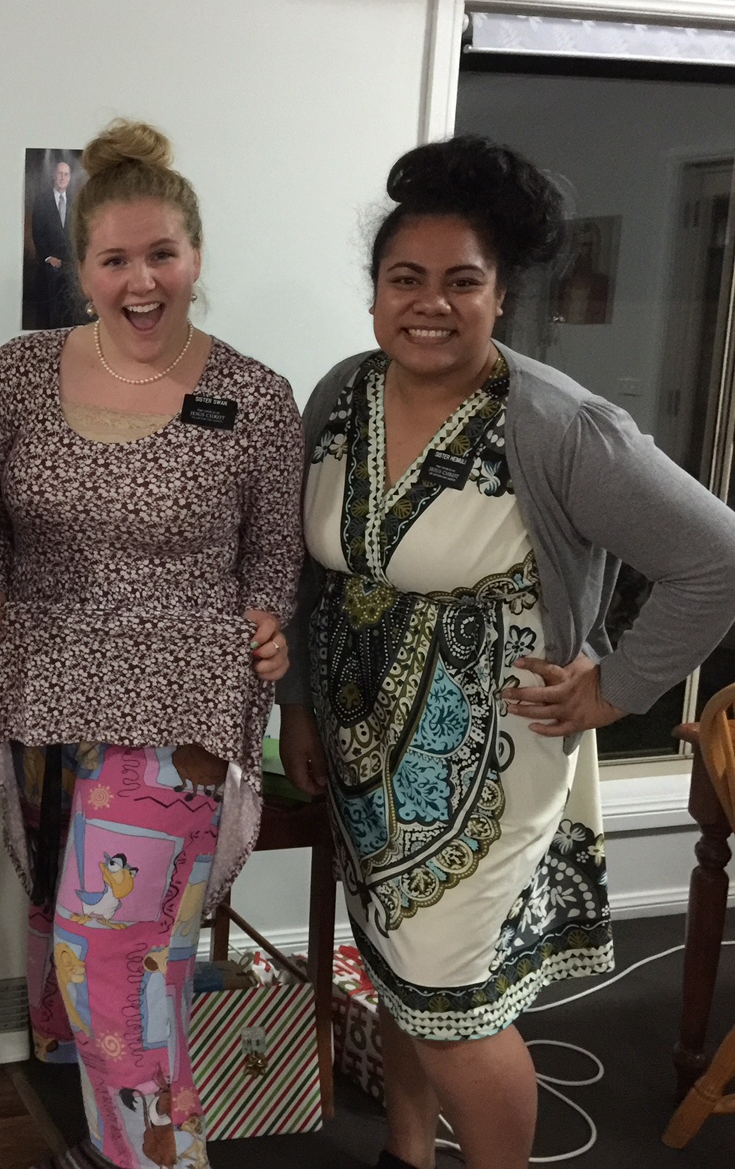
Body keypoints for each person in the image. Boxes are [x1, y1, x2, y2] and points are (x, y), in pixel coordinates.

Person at [276, 135, 735, 1169]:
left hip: (488, 760)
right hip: (359, 747)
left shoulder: (559, 426)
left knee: (454, 1003)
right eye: (406, 278)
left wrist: (618, 688)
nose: (430, 303)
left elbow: (718, 559)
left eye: (462, 281)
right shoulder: (342, 395)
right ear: (374, 292)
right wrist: (298, 702)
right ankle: (407, 1152)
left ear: (502, 294)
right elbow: (305, 570)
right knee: (398, 969)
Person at [0, 119, 303, 1169]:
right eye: (115, 260)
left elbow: (273, 558)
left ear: (196, 257)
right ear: (82, 270)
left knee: (105, 955)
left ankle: (157, 1160)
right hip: (43, 694)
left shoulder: (254, 395)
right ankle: (125, 1147)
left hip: (180, 707)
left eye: (162, 255)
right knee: (106, 961)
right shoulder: (21, 373)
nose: (141, 281)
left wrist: (268, 623)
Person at [29, 158, 86, 328]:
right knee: (52, 311)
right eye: (60, 174)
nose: (62, 177)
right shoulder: (42, 200)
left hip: (71, 263)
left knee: (72, 309)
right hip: (49, 263)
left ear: (69, 178)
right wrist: (48, 257)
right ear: (54, 176)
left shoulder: (76, 203)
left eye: (66, 174)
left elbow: (80, 234)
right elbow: (37, 233)